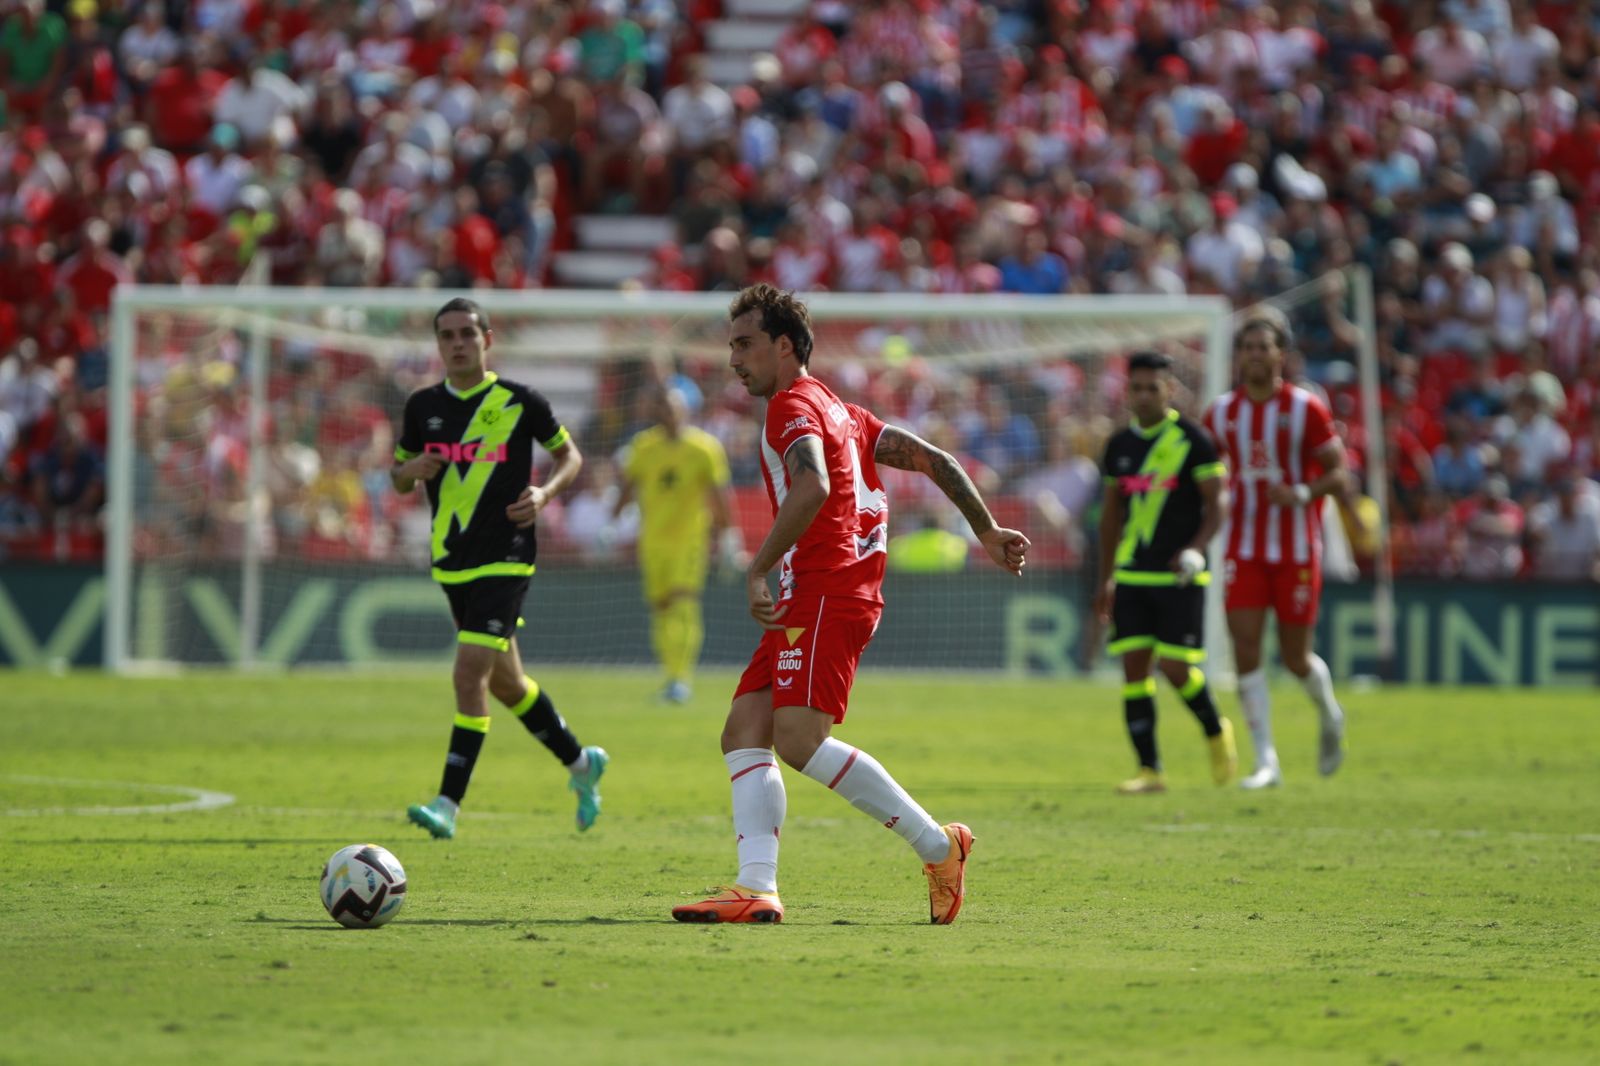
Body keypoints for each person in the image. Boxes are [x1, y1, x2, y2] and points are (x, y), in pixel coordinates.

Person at [671, 285, 1030, 925]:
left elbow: (812, 483)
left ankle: (940, 845)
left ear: (785, 346)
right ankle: (756, 887)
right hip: (831, 589)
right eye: (730, 346)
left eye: (745, 344)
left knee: (801, 741)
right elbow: (934, 458)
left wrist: (759, 566)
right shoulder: (844, 410)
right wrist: (984, 529)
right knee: (744, 731)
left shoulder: (792, 408)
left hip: (826, 589)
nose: (733, 360)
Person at [390, 297, 608, 839]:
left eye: (467, 332)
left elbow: (571, 456)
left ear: (489, 339)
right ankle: (582, 764)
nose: (458, 343)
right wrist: (409, 470)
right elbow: (399, 475)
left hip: (507, 556)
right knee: (509, 685)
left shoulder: (520, 401)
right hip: (452, 559)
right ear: (438, 344)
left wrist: (545, 493)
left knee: (468, 675)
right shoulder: (422, 407)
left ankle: (447, 803)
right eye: (447, 335)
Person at [1204, 310, 1349, 789]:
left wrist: (1303, 493)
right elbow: (1203, 472)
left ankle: (1329, 715)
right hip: (1242, 548)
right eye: (1247, 347)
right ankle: (1266, 760)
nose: (1254, 355)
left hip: (1295, 548)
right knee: (1246, 650)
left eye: (1263, 347)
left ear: (1280, 355)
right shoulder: (1222, 412)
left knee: (1294, 658)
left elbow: (1337, 471)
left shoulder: (1306, 408)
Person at [1094, 351, 1236, 795]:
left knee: (1175, 668)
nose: (1144, 395)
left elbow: (1218, 506)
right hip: (1133, 576)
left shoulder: (1194, 441)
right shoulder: (1118, 446)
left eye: (1153, 388)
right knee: (1134, 668)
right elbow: (1111, 517)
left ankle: (1216, 729)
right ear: (1127, 391)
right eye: (1136, 388)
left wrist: (1195, 549)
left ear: (1169, 390)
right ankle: (1150, 770)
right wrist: (1105, 578)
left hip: (1180, 576)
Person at [613, 386, 744, 703]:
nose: (668, 415)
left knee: (683, 605)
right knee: (661, 610)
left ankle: (680, 677)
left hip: (689, 541)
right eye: (662, 409)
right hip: (653, 541)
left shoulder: (704, 448)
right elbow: (628, 487)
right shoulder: (644, 447)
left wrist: (729, 537)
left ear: (685, 411)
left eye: (673, 409)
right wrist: (612, 523)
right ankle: (671, 672)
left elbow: (720, 495)